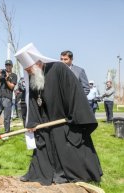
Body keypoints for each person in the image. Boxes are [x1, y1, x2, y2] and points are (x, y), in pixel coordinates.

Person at [15, 43, 102, 185]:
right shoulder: (34, 76)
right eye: (26, 70)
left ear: (38, 62)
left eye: (29, 68)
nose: (28, 72)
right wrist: (32, 122)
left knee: (66, 146)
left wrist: (73, 117)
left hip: (64, 118)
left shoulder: (58, 68)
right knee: (42, 143)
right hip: (45, 119)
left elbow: (75, 92)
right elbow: (32, 100)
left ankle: (64, 174)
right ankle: (40, 172)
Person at [0, 59, 17, 134]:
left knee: (7, 117)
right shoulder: (2, 74)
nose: (7, 66)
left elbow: (12, 87)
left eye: (9, 65)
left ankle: (7, 132)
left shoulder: (14, 76)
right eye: (6, 65)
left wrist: (7, 80)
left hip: (7, 98)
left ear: (12, 66)